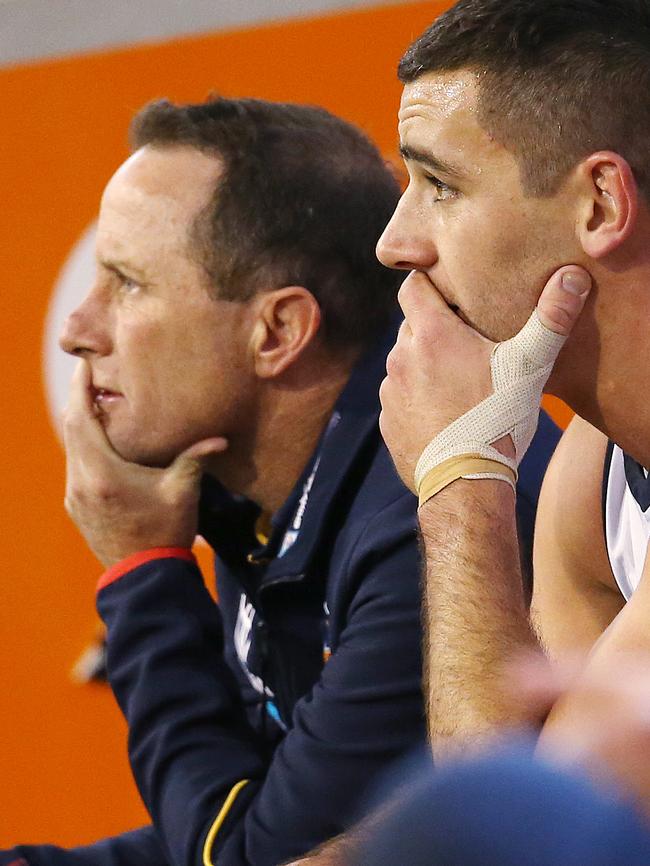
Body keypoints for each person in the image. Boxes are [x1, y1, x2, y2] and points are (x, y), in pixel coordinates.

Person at [0, 94, 560, 865]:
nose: (77, 329)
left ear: (279, 331)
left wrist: (142, 574)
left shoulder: (423, 527)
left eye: (127, 284)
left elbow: (247, 855)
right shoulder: (259, 483)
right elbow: (249, 800)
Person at [376, 0, 650, 762]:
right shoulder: (598, 463)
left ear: (601, 202)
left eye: (440, 184)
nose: (395, 244)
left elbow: (510, 840)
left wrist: (462, 480)